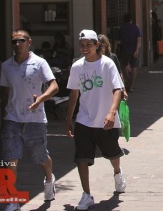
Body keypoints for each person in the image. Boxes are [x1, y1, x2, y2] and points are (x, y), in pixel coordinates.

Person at [66, 30, 126, 211]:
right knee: (81, 158)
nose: (85, 49)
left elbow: (118, 89)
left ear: (97, 45)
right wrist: (69, 119)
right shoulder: (77, 67)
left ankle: (117, 173)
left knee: (112, 154)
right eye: (82, 45)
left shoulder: (107, 64)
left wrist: (112, 112)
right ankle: (86, 195)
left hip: (106, 121)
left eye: (88, 45)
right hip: (84, 120)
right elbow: (74, 93)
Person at [0, 29, 58, 210]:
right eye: (14, 41)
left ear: (29, 42)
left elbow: (54, 86)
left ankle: (49, 179)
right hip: (12, 118)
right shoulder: (6, 66)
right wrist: (2, 112)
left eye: (21, 41)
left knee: (40, 156)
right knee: (11, 158)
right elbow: (4, 91)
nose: (17, 44)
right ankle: (12, 199)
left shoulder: (39, 63)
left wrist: (40, 99)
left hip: (35, 119)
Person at [115, 13, 142, 92]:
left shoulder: (121, 29)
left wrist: (113, 51)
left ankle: (128, 78)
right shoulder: (136, 28)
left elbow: (116, 41)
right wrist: (137, 50)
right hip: (134, 50)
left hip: (125, 51)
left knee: (122, 66)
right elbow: (139, 40)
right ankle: (131, 86)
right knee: (134, 67)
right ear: (131, 20)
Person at [98, 34, 127, 100]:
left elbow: (119, 74)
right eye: (98, 46)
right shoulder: (95, 59)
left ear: (106, 45)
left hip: (112, 88)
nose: (100, 48)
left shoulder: (112, 57)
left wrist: (123, 89)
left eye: (101, 45)